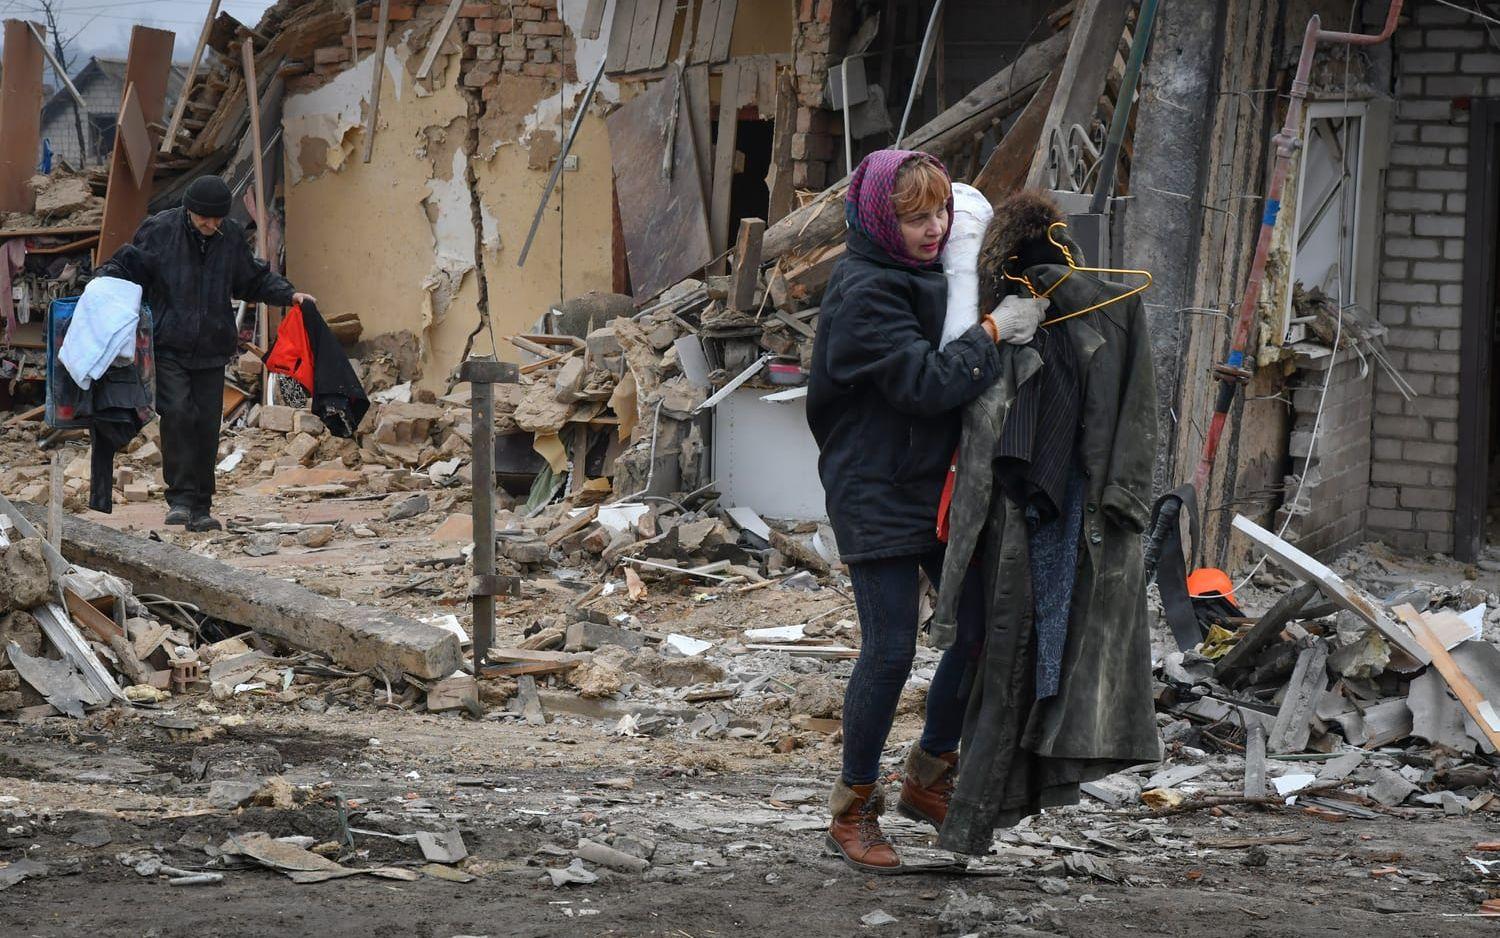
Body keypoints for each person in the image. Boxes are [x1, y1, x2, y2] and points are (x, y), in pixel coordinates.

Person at [806, 150, 1046, 873]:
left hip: (930, 485)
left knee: (978, 627)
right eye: (914, 217)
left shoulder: (927, 276)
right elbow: (924, 383)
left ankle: (929, 775)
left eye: (940, 212)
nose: (934, 227)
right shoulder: (863, 292)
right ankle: (853, 811)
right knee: (890, 649)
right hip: (873, 485)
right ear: (882, 217)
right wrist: (995, 332)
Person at [95, 175, 314, 532]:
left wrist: (290, 295)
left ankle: (202, 506)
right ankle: (180, 499)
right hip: (169, 345)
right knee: (179, 413)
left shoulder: (228, 239)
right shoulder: (161, 231)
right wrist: (103, 281)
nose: (211, 225)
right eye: (204, 219)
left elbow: (253, 280)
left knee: (208, 426)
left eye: (216, 219)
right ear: (189, 211)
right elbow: (128, 266)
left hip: (212, 348)